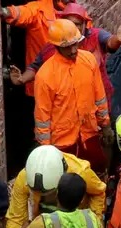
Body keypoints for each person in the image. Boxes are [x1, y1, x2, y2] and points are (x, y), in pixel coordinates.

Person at [30, 19, 114, 170]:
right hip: (62, 143)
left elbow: (99, 96)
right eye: (67, 47)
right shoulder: (45, 76)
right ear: (56, 47)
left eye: (75, 44)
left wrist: (105, 124)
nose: (73, 50)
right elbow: (42, 117)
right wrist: (46, 151)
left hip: (89, 134)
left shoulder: (88, 60)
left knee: (98, 172)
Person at [16, 4, 121, 98]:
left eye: (77, 23)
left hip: (99, 99)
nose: (73, 27)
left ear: (84, 24)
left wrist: (117, 40)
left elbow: (110, 44)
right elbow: (35, 67)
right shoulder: (53, 46)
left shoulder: (96, 36)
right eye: (69, 23)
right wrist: (21, 79)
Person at [7, 145, 107, 228]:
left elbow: (98, 192)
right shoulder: (24, 177)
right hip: (43, 226)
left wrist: (94, 226)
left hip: (76, 221)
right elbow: (16, 217)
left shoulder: (80, 173)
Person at [2, 0, 67, 93]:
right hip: (42, 85)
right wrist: (8, 12)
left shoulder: (78, 13)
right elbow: (23, 12)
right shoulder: (39, 8)